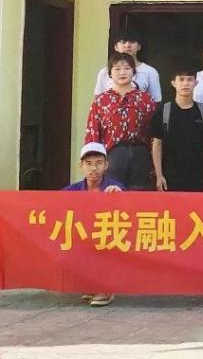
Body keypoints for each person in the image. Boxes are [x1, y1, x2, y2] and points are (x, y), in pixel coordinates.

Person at [84, 54, 157, 191]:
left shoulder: (146, 99)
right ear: (110, 74)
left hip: (140, 154)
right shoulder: (101, 101)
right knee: (111, 194)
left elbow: (154, 133)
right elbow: (92, 133)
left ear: (133, 72)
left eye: (127, 68)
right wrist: (92, 162)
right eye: (117, 69)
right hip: (113, 154)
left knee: (138, 196)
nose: (122, 72)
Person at [64, 143, 122, 307]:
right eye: (88, 164)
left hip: (109, 239)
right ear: (81, 166)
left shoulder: (115, 188)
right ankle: (91, 285)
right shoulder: (71, 191)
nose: (94, 168)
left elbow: (131, 212)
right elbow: (51, 207)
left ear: (106, 165)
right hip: (84, 238)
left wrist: (120, 197)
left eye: (99, 163)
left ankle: (106, 289)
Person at [151, 69, 203, 192]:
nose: (185, 83)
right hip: (169, 175)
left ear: (196, 83)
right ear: (173, 83)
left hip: (197, 175)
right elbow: (157, 144)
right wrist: (159, 175)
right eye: (181, 79)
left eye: (190, 79)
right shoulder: (163, 111)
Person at [93, 30, 162, 102]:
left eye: (132, 42)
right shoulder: (105, 72)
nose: (127, 45)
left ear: (139, 46)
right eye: (123, 42)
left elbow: (156, 101)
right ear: (116, 47)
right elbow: (98, 100)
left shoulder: (150, 72)